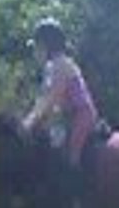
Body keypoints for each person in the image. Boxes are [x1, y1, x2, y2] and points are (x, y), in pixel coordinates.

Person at [22, 17, 101, 171]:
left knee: (70, 157)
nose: (36, 52)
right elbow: (43, 101)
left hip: (80, 116)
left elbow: (49, 100)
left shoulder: (61, 65)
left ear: (47, 47)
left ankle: (74, 189)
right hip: (67, 117)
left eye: (38, 47)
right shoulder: (52, 66)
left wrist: (27, 124)